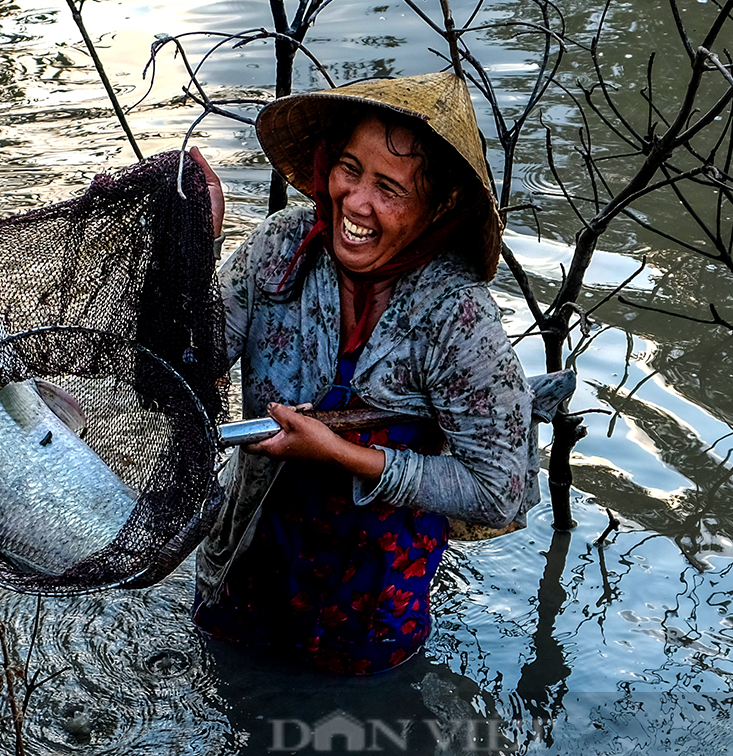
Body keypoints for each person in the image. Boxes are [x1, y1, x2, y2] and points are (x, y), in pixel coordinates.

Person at [187, 72, 536, 674]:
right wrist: (195, 245)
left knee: (352, 747)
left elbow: (498, 490)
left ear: (440, 206)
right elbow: (189, 365)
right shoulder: (281, 249)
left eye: (390, 188)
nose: (356, 202)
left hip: (370, 612)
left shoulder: (456, 317)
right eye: (350, 169)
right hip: (246, 571)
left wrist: (344, 456)